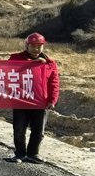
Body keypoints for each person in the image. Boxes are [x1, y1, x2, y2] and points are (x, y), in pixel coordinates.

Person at [8, 33, 60, 164]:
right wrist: (32, 64)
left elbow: (54, 82)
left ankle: (33, 154)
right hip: (21, 100)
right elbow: (7, 73)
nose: (36, 49)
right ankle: (20, 153)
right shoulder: (16, 58)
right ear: (27, 45)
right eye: (33, 46)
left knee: (38, 131)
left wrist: (52, 100)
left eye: (39, 46)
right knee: (19, 129)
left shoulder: (50, 63)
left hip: (40, 102)